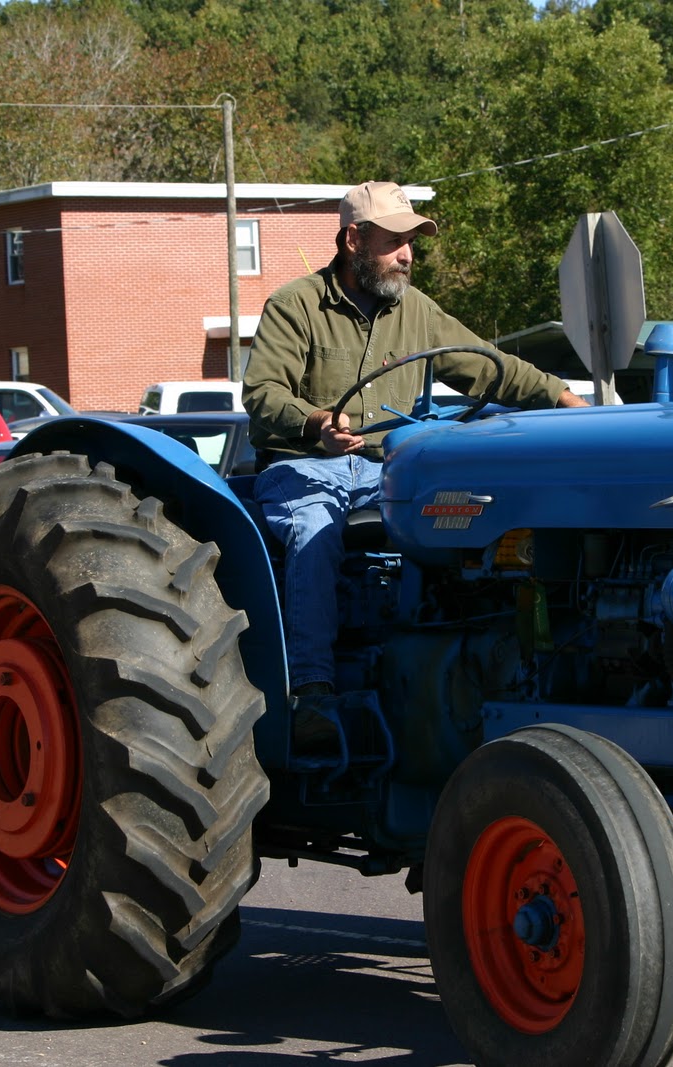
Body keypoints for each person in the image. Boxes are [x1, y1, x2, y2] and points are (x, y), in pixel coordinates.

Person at [243, 180, 588, 750]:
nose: (408, 254)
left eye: (413, 242)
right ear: (355, 239)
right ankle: (311, 691)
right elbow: (262, 393)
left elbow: (491, 369)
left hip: (391, 472)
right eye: (395, 241)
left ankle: (487, 668)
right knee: (314, 530)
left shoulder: (416, 310)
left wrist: (564, 400)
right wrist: (316, 422)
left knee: (469, 518)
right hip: (307, 466)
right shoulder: (295, 304)